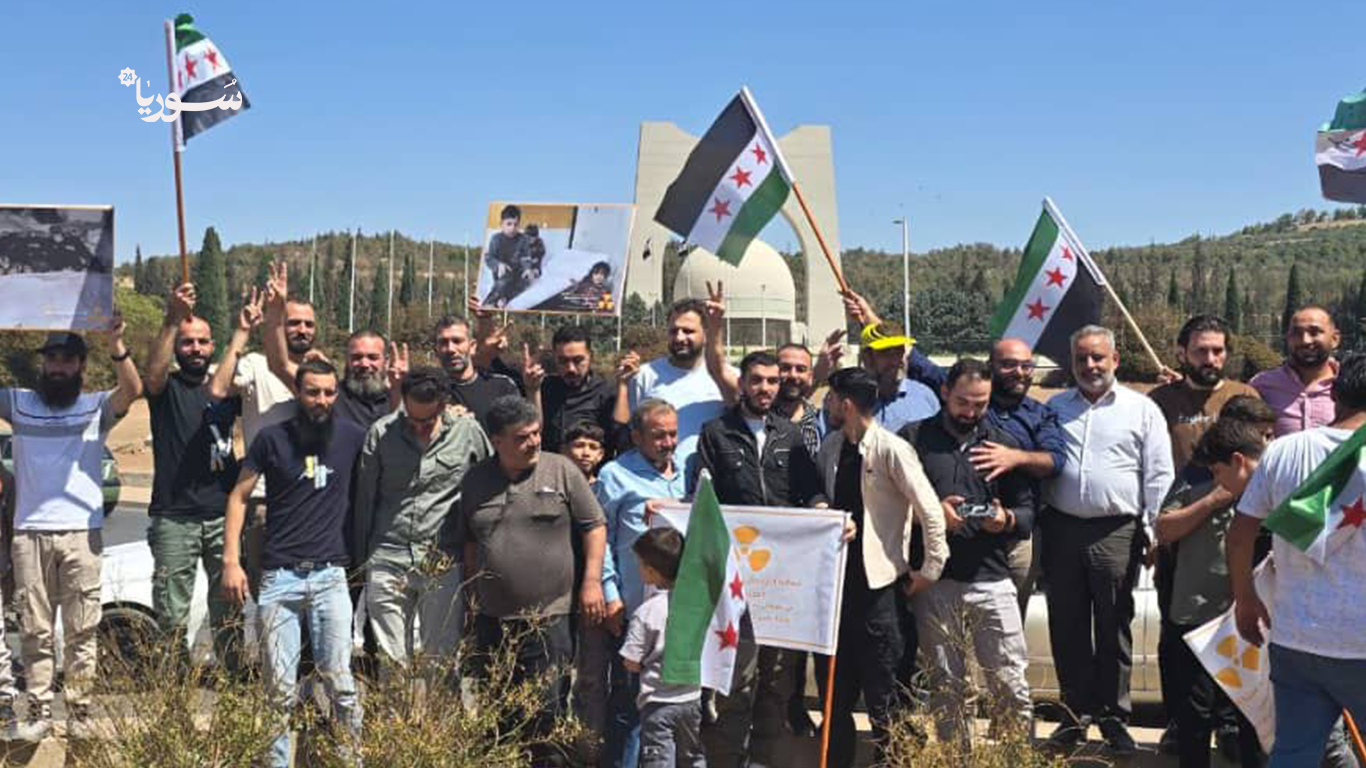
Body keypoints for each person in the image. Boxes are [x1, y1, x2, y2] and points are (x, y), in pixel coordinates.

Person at [221, 359, 365, 768]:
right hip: (279, 577)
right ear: (297, 393)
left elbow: (400, 432)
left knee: (341, 684)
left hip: (330, 576)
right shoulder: (271, 438)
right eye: (313, 391)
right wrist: (231, 560)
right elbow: (239, 497)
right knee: (278, 692)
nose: (321, 400)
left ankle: (349, 761)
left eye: (329, 392)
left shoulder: (352, 436)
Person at [2, 324, 141, 741]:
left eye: (67, 360)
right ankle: (40, 709)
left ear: (81, 365)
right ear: (43, 364)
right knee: (35, 628)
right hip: (29, 533)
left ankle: (80, 710)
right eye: (52, 359)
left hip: (82, 533)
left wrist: (116, 342)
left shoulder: (95, 408)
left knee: (82, 628)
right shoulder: (19, 403)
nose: (58, 367)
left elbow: (133, 389)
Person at [1228, 352, 1366, 768]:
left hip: (1295, 637)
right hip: (1360, 642)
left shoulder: (1282, 451)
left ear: (1335, 392)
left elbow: (1239, 534)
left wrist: (1245, 599)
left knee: (1293, 754)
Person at [1041, 325, 1174, 754]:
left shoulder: (1142, 409)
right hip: (1062, 529)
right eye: (1081, 358)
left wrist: (1155, 531)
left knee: (1114, 624)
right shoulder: (1055, 407)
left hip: (1116, 531)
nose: (1090, 365)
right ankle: (1074, 716)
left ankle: (1114, 718)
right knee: (1067, 626)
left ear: (1115, 359)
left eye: (1098, 357)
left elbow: (1158, 474)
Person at [457, 395, 607, 766]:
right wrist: (470, 603)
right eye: (522, 437)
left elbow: (595, 526)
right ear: (497, 441)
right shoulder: (475, 480)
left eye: (536, 433)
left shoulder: (561, 470)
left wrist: (592, 582)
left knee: (545, 711)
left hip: (549, 618)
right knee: (498, 711)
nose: (534, 442)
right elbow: (470, 544)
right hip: (492, 620)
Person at [812, 367, 947, 768]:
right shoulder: (832, 446)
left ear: (846, 403)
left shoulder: (892, 449)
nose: (827, 405)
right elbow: (822, 494)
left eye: (831, 398)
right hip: (836, 592)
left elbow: (931, 511)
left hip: (880, 594)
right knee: (834, 699)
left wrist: (930, 569)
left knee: (885, 700)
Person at [693, 351, 822, 768]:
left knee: (778, 678)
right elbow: (702, 497)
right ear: (742, 384)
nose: (765, 388)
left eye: (771, 380)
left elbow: (811, 490)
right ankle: (728, 759)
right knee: (737, 677)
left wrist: (825, 513)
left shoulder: (792, 435)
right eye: (757, 380)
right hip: (736, 577)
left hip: (783, 577)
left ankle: (762, 759)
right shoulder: (716, 433)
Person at [1148, 315, 1261, 755]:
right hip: (1180, 531)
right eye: (1200, 351)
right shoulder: (1160, 400)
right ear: (1182, 353)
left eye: (1217, 351)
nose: (1210, 359)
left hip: (1240, 535)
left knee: (1236, 635)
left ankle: (1229, 722)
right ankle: (1182, 722)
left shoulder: (1243, 395)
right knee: (1179, 639)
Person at [907, 359, 1034, 744]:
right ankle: (954, 759)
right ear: (945, 392)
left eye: (980, 404)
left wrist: (1005, 519)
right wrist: (931, 514)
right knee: (947, 687)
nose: (970, 412)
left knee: (1010, 682)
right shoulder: (913, 439)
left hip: (991, 578)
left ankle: (1016, 756)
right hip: (935, 580)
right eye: (963, 402)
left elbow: (1028, 513)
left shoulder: (1004, 445)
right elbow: (888, 505)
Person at [1161, 401, 1275, 768]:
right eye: (1260, 435)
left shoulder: (1277, 480)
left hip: (1255, 614)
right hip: (1200, 613)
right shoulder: (1200, 474)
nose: (1266, 444)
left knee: (1254, 715)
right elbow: (1164, 529)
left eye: (1269, 435)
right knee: (1195, 713)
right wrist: (1214, 498)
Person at [352, 366, 491, 667]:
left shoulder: (468, 431)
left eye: (427, 422)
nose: (419, 429)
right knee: (392, 664)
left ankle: (437, 703)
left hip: (442, 559)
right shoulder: (380, 434)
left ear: (444, 405)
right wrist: (361, 563)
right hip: (388, 557)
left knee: (440, 661)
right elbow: (365, 502)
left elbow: (489, 485)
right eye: (412, 420)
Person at [142, 283, 246, 675]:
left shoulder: (229, 389)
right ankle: (175, 691)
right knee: (171, 612)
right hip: (175, 517)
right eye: (187, 342)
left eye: (203, 341)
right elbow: (152, 373)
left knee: (230, 610)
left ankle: (234, 683)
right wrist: (172, 318)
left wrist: (245, 330)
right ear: (176, 347)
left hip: (223, 516)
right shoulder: (165, 388)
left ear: (213, 345)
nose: (196, 348)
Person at [591, 400, 688, 767]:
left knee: (672, 708)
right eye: (658, 435)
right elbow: (600, 538)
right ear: (636, 437)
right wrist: (610, 595)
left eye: (673, 434)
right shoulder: (615, 474)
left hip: (681, 615)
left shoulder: (689, 472)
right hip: (633, 611)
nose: (668, 443)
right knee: (629, 705)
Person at [211, 286, 312, 596]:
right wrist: (242, 333)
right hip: (265, 502)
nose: (302, 329)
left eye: (308, 323)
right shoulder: (256, 364)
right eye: (293, 322)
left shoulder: (318, 372)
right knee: (269, 597)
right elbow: (217, 389)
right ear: (278, 324)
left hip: (310, 502)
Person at [620, 527, 706, 768]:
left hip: (658, 704)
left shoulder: (646, 612)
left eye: (639, 564)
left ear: (651, 571)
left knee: (658, 761)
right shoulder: (698, 605)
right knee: (693, 757)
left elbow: (631, 661)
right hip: (692, 699)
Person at [621, 299, 728, 477]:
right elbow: (631, 431)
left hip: (712, 479)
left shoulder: (726, 378)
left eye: (688, 331)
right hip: (658, 481)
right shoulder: (645, 376)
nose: (679, 338)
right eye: (673, 331)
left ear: (706, 332)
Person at [523, 324, 624, 457]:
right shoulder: (544, 387)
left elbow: (619, 434)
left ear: (591, 357)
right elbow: (532, 430)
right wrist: (532, 389)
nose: (570, 368)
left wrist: (624, 386)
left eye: (578, 360)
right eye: (563, 361)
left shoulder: (606, 392)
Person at [1250, 306, 1340, 438]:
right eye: (1297, 333)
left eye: (1314, 332)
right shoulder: (1262, 385)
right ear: (1288, 338)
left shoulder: (1350, 386)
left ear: (1335, 339)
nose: (1305, 340)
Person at [433, 315, 520, 431]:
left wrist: (533, 389)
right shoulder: (430, 390)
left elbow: (523, 431)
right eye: (443, 342)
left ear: (472, 346)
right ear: (436, 350)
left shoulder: (502, 386)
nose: (450, 349)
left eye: (457, 341)